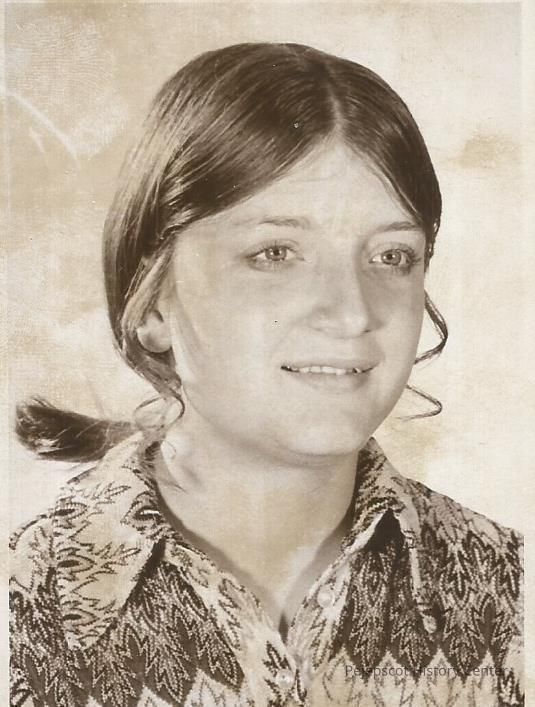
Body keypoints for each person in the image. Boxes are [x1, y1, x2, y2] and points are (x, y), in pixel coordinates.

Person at [10, 42, 523, 707]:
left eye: (391, 255)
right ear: (153, 302)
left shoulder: (509, 589)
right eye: (275, 253)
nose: (352, 312)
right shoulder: (23, 607)